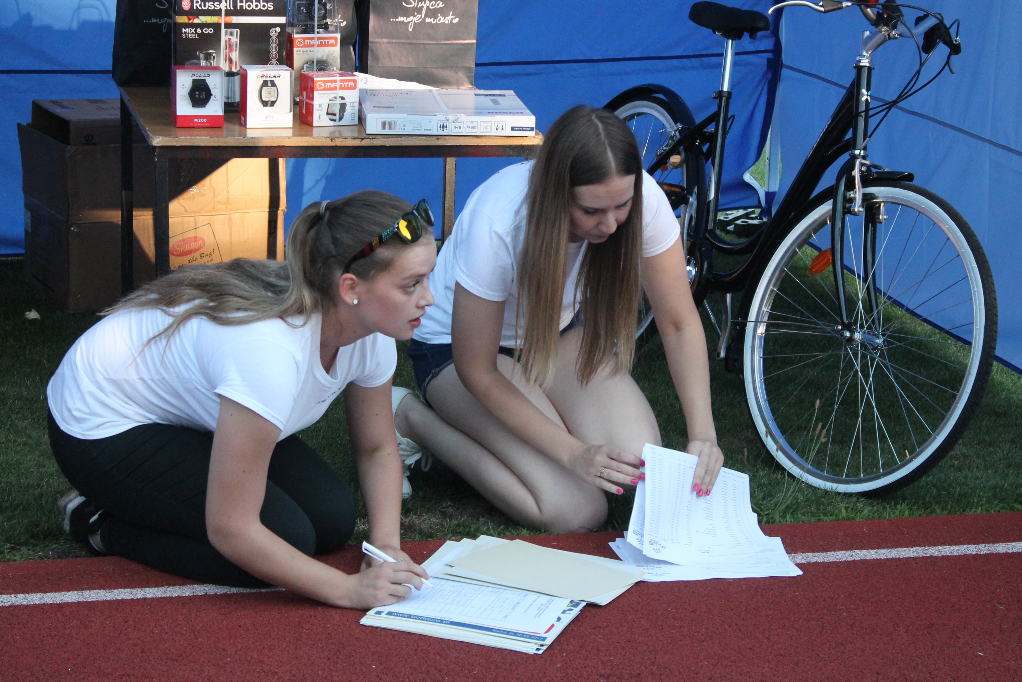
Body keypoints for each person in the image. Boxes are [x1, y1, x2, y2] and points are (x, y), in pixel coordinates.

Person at [47, 190, 434, 609]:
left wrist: (385, 548)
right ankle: (99, 522)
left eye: (427, 278)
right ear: (350, 288)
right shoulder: (269, 350)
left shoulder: (368, 329)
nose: (428, 298)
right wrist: (347, 590)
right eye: (411, 284)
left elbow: (377, 448)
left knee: (332, 520)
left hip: (189, 416)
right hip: (100, 423)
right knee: (272, 546)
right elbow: (231, 529)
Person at [395, 105, 725, 532]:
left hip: (553, 335)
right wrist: (572, 452)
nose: (609, 224)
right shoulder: (499, 217)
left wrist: (704, 434)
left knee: (634, 461)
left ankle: (543, 421)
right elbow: (478, 370)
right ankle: (410, 419)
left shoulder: (642, 199)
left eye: (622, 205)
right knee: (575, 510)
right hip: (456, 354)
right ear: (555, 192)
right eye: (590, 211)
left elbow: (678, 322)